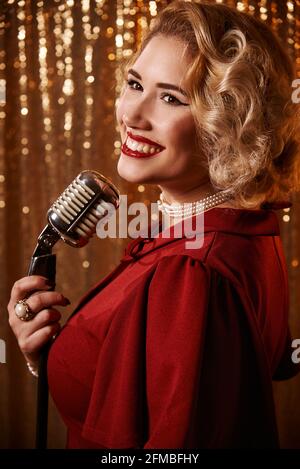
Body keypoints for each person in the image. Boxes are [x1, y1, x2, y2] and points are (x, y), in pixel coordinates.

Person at [7, 0, 300, 449]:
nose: (132, 115)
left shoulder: (191, 275)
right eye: (134, 84)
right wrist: (49, 356)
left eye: (171, 98)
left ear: (227, 125)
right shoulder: (240, 230)